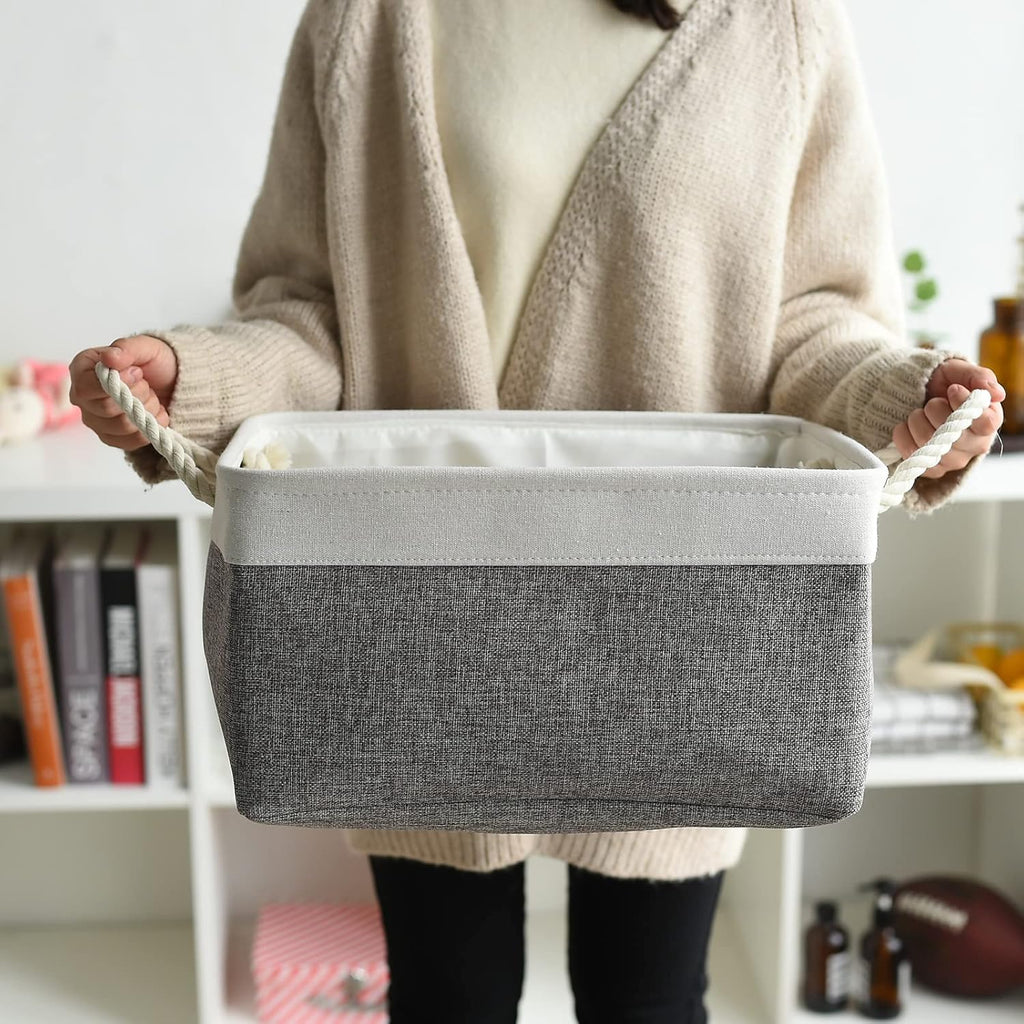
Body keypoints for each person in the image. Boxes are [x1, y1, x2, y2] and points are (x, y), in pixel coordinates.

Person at [69, 0, 1005, 1020]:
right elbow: (304, 313)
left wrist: (897, 398)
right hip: (417, 622)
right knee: (447, 997)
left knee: (645, 999)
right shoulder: (366, 20)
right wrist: (189, 378)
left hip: (685, 626)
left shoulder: (776, 26)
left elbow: (814, 322)